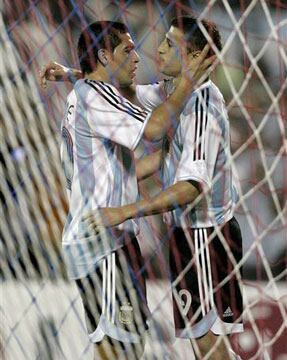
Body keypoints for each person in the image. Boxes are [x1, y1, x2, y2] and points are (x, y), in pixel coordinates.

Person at [40, 20, 214, 359]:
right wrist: (189, 80)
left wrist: (71, 72)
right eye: (127, 50)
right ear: (105, 57)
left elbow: (124, 169)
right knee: (123, 349)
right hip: (106, 241)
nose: (138, 57)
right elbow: (155, 128)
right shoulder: (97, 95)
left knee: (121, 345)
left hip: (102, 238)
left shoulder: (87, 93)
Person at [82, 17, 244, 360]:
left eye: (171, 45)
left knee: (208, 344)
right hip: (188, 235)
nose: (158, 48)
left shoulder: (202, 107)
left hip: (205, 236)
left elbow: (191, 186)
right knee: (204, 344)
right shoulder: (173, 92)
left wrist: (125, 210)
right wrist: (70, 74)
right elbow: (129, 96)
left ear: (196, 57)